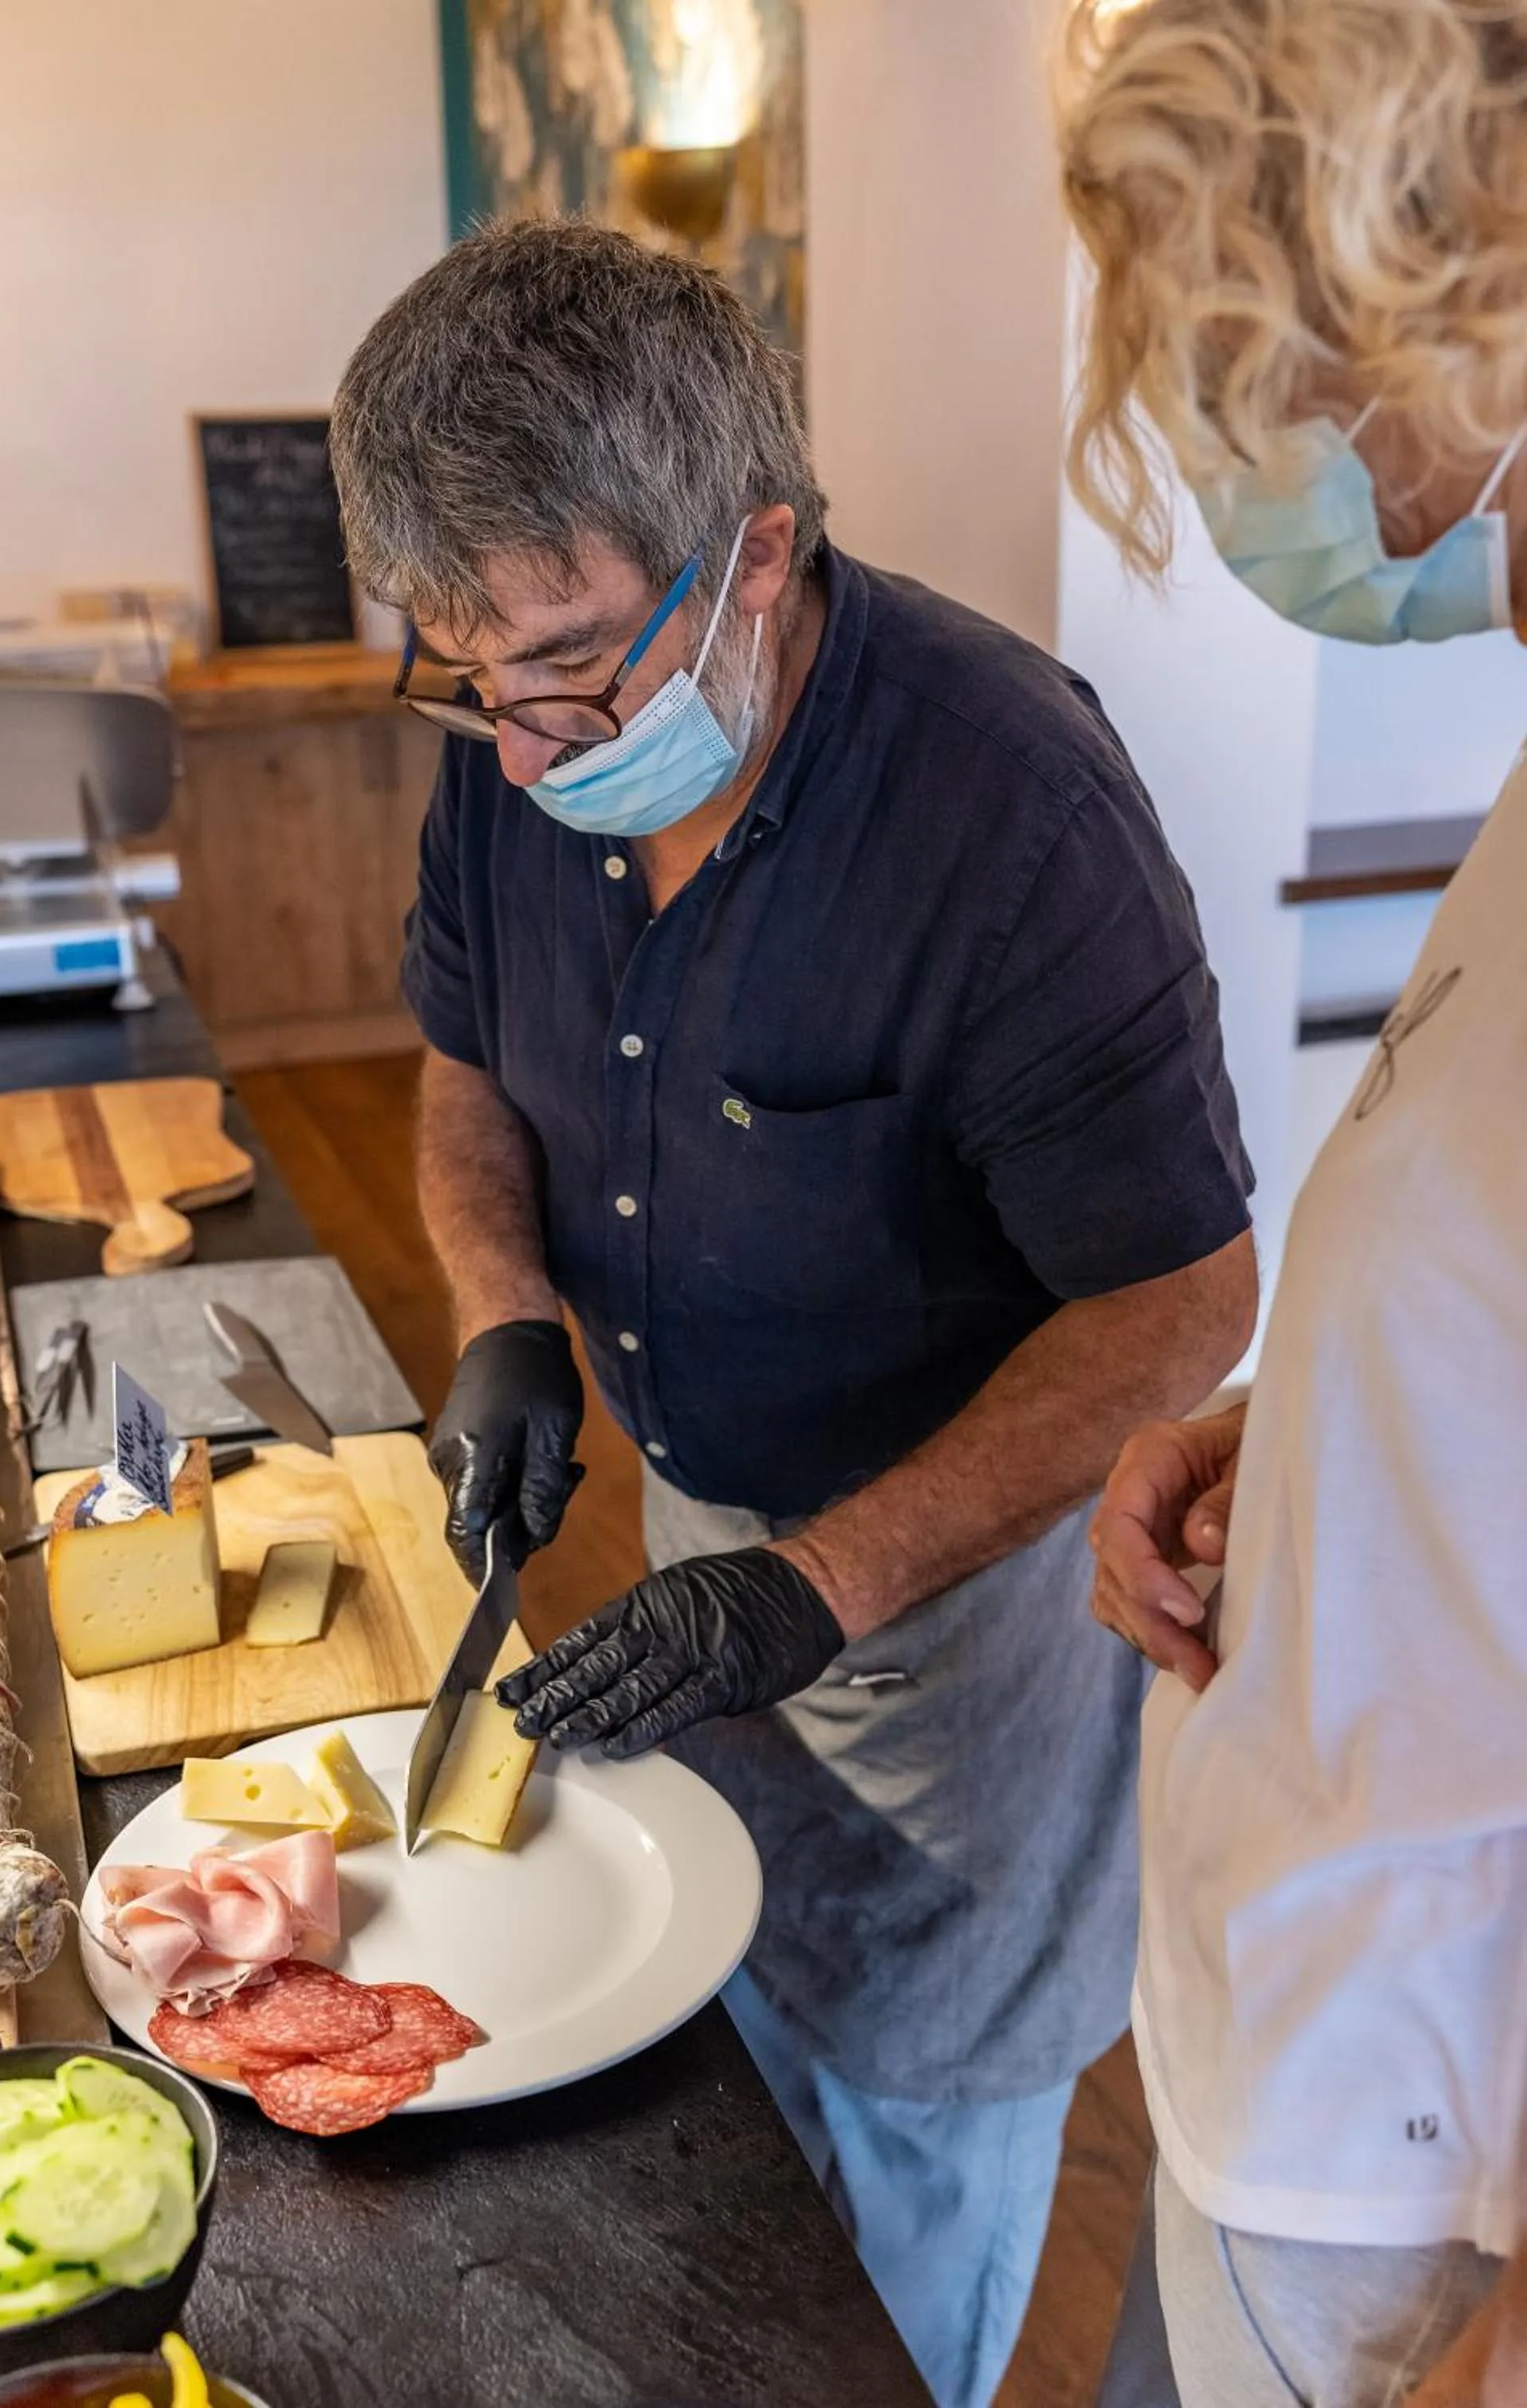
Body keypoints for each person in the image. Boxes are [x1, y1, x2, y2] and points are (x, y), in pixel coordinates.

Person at [330, 217, 1257, 2407]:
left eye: (568, 666)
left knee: (907, 2164)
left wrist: (824, 1585)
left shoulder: (1008, 811)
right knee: (711, 2078)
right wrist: (504, 1314)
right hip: (700, 1518)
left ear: (752, 554)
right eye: (466, 677)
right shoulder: (521, 744)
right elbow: (467, 1064)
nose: (528, 745)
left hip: (972, 1611)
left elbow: (1187, 1297)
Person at [1055, 2, 1527, 2400]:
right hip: (1275, 2054)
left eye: (1308, 396)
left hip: (1414, 2222)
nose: (1325, 485)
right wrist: (1324, 1442)